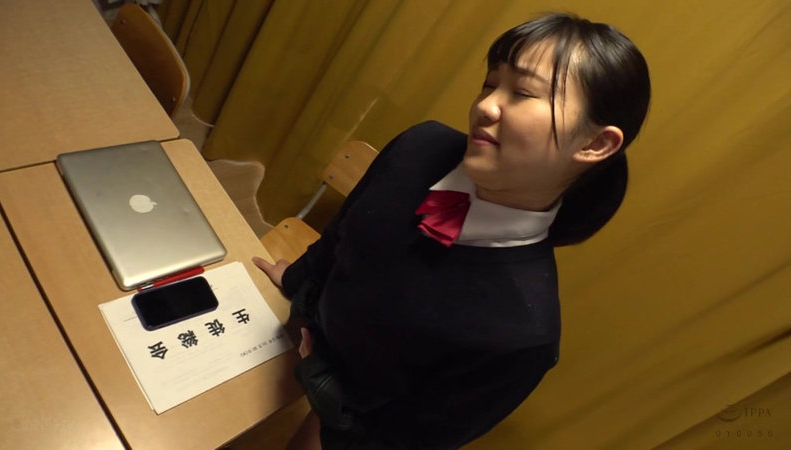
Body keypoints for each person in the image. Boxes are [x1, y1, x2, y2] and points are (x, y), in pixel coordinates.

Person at [254, 12, 650, 450]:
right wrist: (297, 280)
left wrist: (325, 399)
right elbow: (343, 232)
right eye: (490, 83)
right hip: (294, 334)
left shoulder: (523, 332)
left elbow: (407, 437)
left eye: (522, 92)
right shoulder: (420, 146)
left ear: (595, 143)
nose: (485, 106)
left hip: (346, 417)